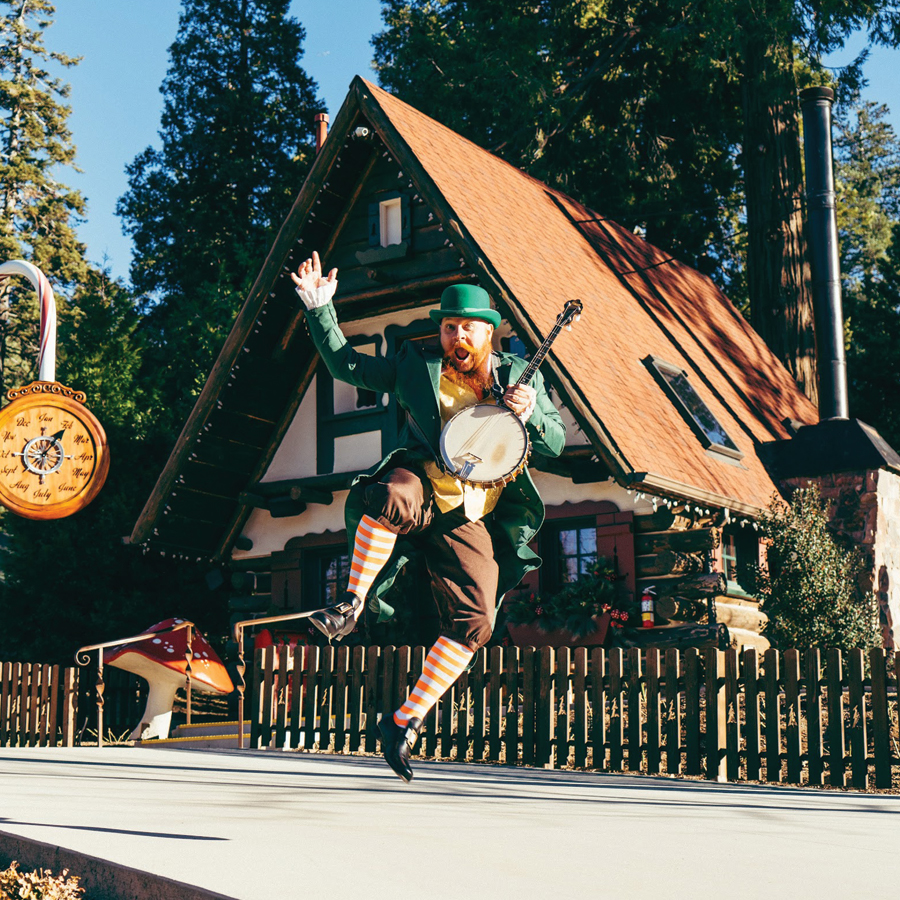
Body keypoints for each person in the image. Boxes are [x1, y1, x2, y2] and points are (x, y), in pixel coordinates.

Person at [291, 251, 565, 781]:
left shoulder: (520, 378)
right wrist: (320, 310)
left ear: (489, 333)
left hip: (471, 513)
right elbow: (348, 366)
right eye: (447, 328)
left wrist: (531, 413)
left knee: (477, 621)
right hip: (422, 483)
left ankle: (403, 721)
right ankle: (350, 604)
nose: (455, 338)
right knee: (386, 496)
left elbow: (552, 441)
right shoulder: (417, 366)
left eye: (466, 329)